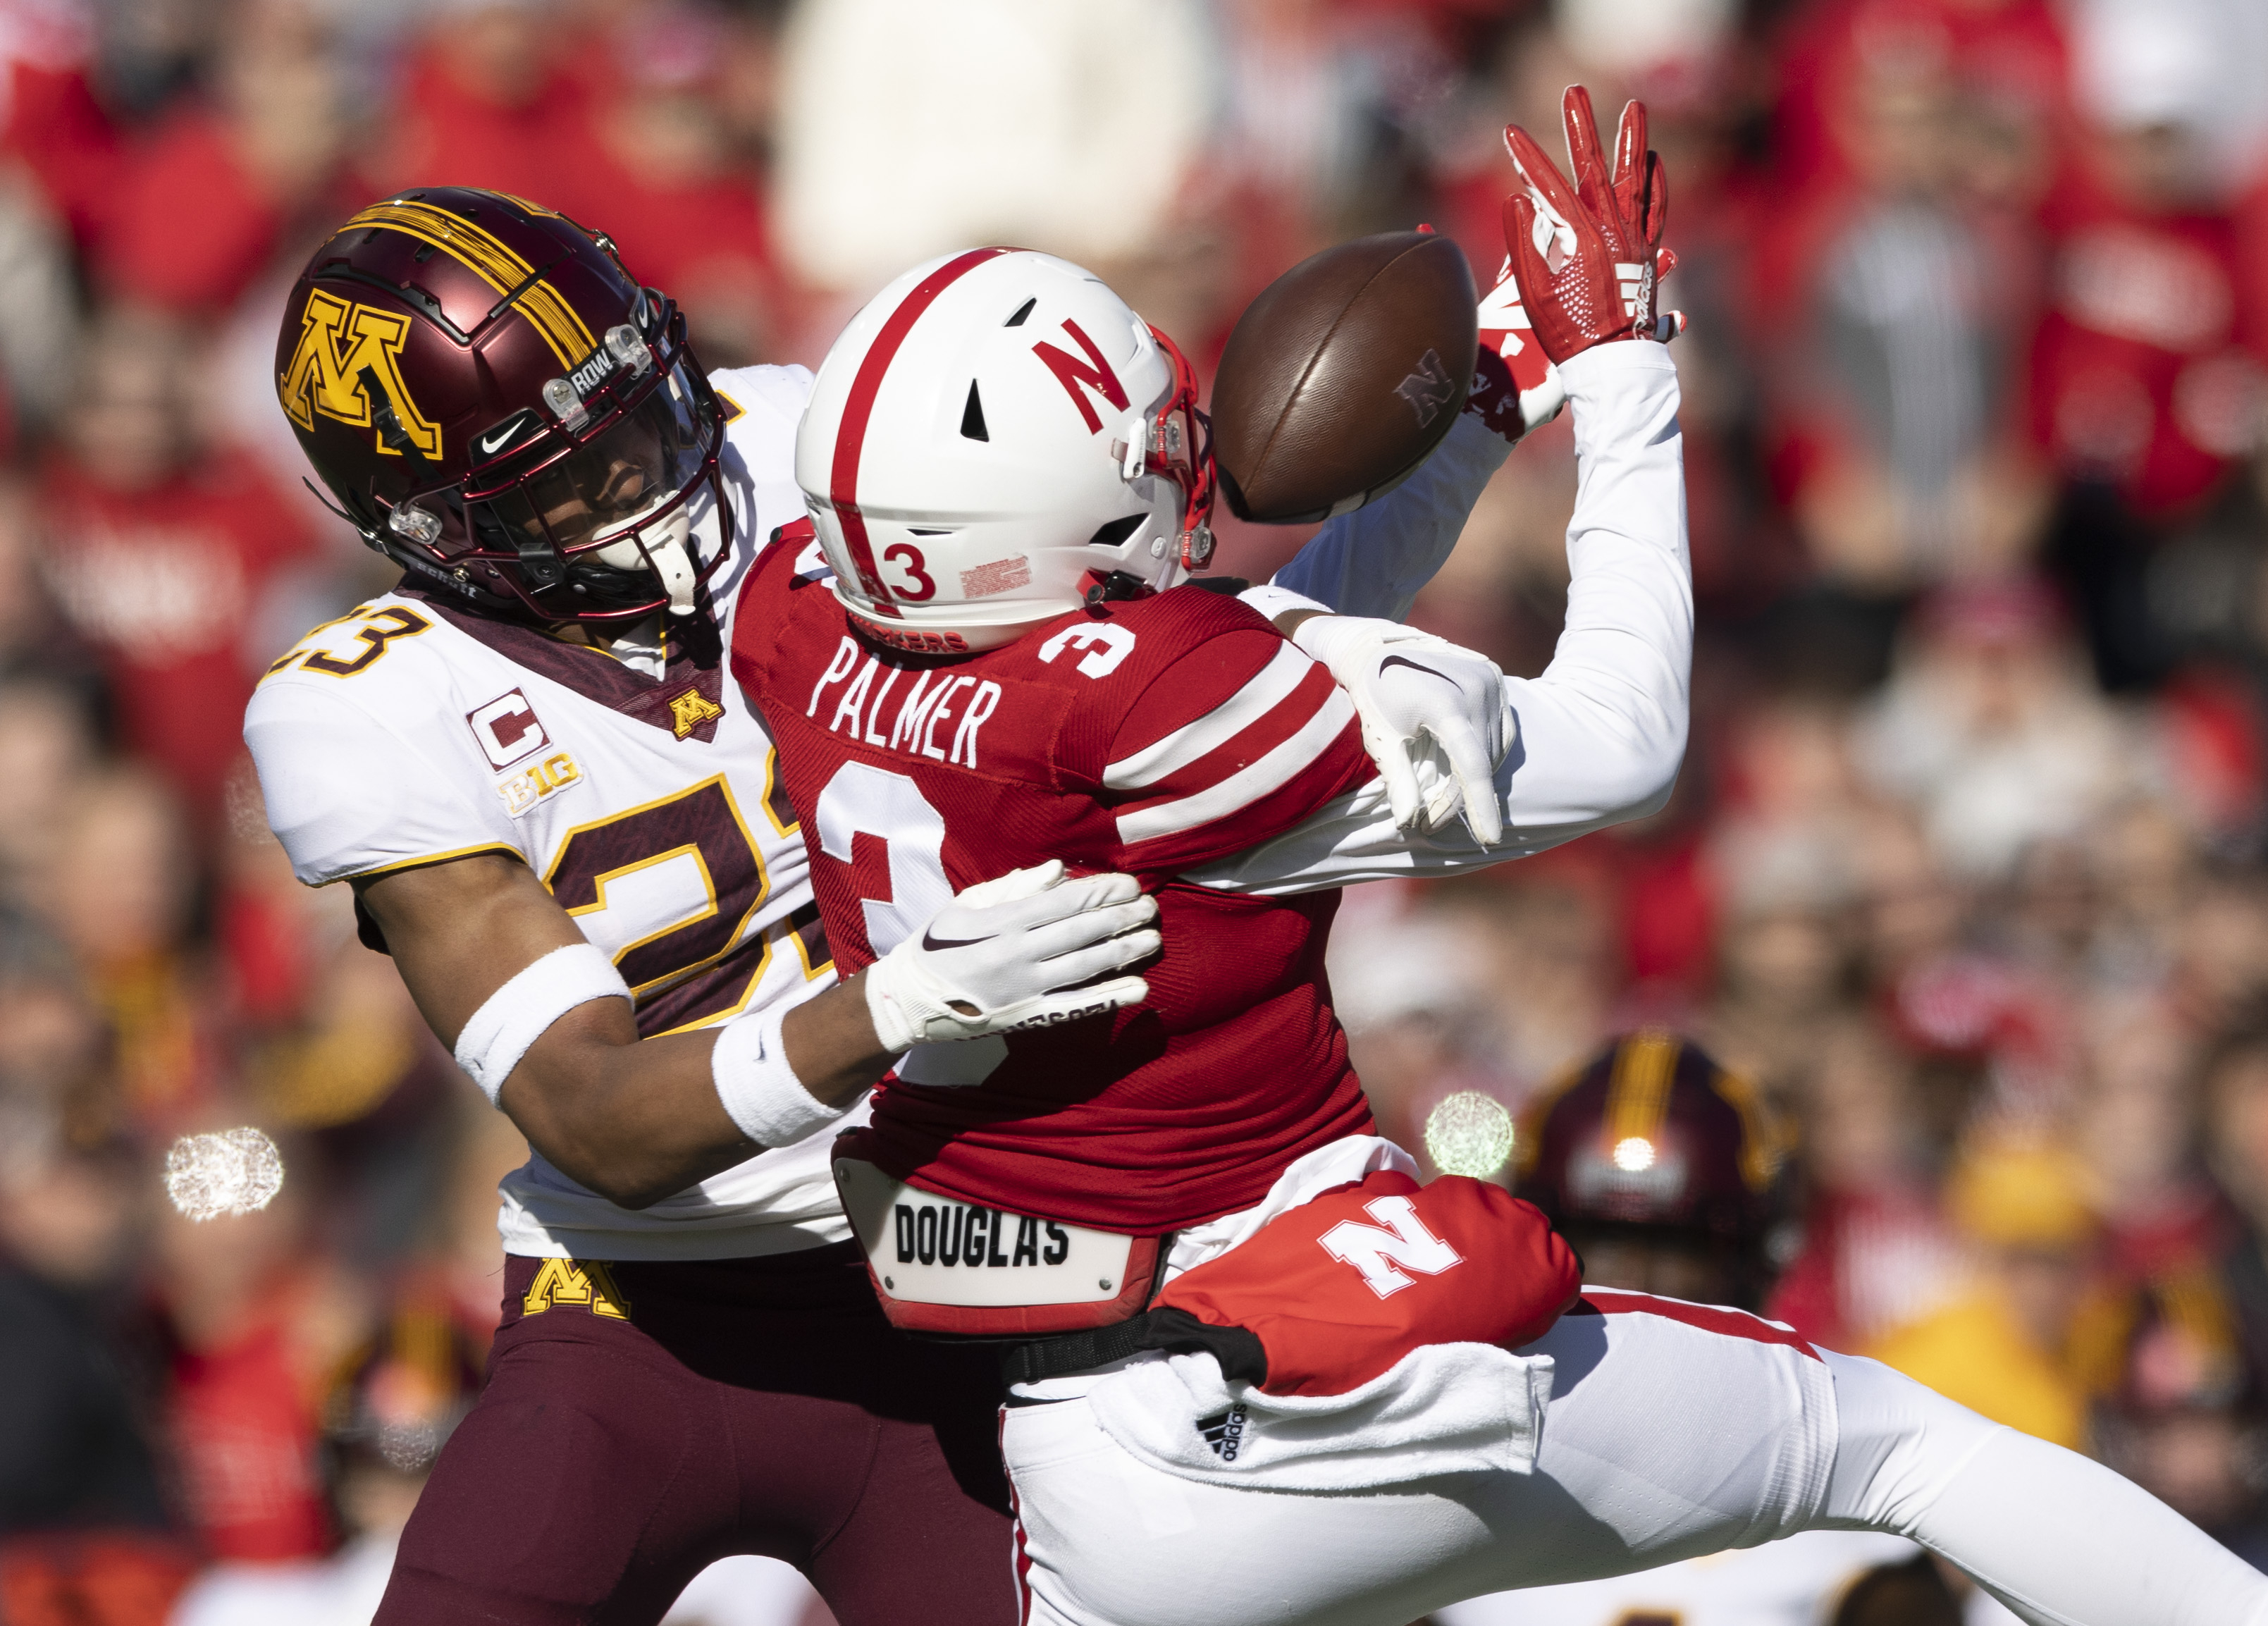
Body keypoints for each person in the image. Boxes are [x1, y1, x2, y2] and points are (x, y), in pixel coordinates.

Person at [727, 88, 2268, 1626]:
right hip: (1317, 1380)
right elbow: (1620, 735)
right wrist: (1623, 376)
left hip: (1072, 1462)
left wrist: (1479, 405)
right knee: (1898, 1444)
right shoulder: (1158, 711)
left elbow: (1232, 657)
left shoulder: (798, 617)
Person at [244, 186, 1539, 1624]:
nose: (648, 471)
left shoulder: (808, 437)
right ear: (430, 527)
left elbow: (1147, 613)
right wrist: (896, 1001)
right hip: (641, 1320)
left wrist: (1353, 620)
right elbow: (596, 1120)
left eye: (638, 405)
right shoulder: (367, 705)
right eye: (569, 474)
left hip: (973, 1281)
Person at [1434, 1031, 1980, 1626]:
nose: (1633, 1287)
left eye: (1677, 1249)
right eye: (1601, 1244)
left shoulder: (1846, 1505)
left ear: (1755, 1262)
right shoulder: (1444, 1468)